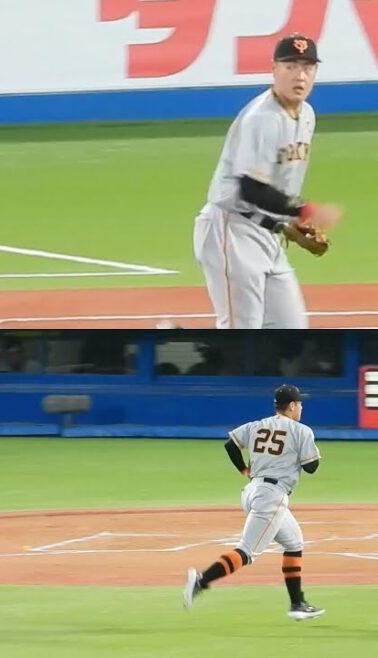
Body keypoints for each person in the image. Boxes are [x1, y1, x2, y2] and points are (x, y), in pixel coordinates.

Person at [193, 34, 342, 329]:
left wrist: (289, 224)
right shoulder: (261, 118)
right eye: (291, 66)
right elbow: (251, 189)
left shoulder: (307, 115)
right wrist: (306, 210)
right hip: (231, 230)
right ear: (274, 69)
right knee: (241, 332)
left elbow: (276, 185)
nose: (300, 75)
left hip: (267, 234)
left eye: (308, 67)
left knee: (293, 330)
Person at [183, 385, 323, 620]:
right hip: (272, 496)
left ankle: (297, 604)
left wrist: (243, 469)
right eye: (299, 403)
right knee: (247, 552)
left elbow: (230, 445)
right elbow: (312, 467)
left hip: (252, 491)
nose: (301, 407)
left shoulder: (257, 425)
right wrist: (303, 453)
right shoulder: (302, 431)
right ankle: (201, 580)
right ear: (291, 406)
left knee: (294, 542)